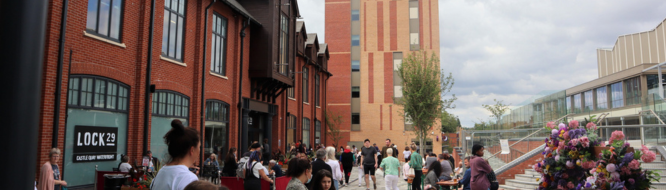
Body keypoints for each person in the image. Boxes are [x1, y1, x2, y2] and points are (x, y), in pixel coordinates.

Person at [151, 119, 200, 190]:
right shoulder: (189, 178)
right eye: (199, 147)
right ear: (192, 150)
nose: (199, 151)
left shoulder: (161, 173)